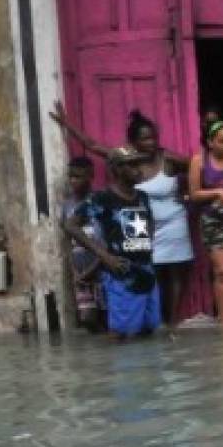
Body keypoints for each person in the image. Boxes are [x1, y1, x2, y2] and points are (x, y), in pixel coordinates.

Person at [49, 102, 193, 325]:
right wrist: (67, 123)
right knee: (138, 284)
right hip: (134, 242)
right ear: (133, 143)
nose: (151, 143)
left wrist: (191, 195)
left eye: (153, 137)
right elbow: (92, 145)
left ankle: (170, 321)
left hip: (167, 230)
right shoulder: (117, 174)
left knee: (169, 278)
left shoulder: (166, 162)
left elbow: (196, 166)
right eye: (145, 139)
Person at [62, 147, 160, 340]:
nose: (138, 169)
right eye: (131, 165)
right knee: (121, 334)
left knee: (148, 330)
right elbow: (71, 225)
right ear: (116, 169)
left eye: (138, 164)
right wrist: (104, 256)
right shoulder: (102, 199)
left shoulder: (143, 196)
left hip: (147, 272)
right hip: (121, 275)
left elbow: (149, 224)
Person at [189, 119, 223, 329]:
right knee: (222, 270)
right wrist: (218, 192)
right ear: (210, 142)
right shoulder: (199, 161)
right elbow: (194, 194)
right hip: (213, 221)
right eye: (222, 141)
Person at [62, 156, 105, 331]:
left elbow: (106, 241)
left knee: (106, 316)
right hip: (81, 272)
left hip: (101, 269)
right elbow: (67, 239)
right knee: (88, 320)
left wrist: (94, 267)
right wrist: (74, 270)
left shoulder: (100, 201)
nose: (73, 181)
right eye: (71, 176)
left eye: (78, 177)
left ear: (90, 176)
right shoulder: (67, 205)